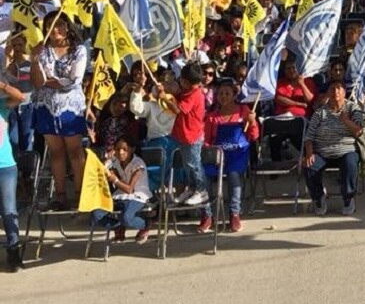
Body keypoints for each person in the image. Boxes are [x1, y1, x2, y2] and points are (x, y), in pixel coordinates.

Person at [30, 11, 88, 210]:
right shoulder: (42, 51)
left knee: (75, 150)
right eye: (50, 26)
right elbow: (39, 83)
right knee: (55, 152)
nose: (55, 29)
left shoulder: (78, 50)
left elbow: (74, 80)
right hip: (46, 107)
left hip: (70, 108)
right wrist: (35, 61)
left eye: (59, 25)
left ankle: (80, 194)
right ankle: (60, 195)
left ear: (67, 27)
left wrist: (50, 82)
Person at [200, 79, 259, 233]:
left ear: (234, 95)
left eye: (227, 93)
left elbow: (253, 136)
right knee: (204, 176)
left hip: (238, 154)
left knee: (234, 175)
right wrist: (208, 149)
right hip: (217, 154)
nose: (223, 96)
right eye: (220, 93)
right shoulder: (212, 117)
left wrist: (252, 122)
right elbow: (206, 140)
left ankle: (234, 214)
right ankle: (207, 215)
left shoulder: (243, 110)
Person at [303, 80, 365, 216]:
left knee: (350, 164)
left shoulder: (353, 108)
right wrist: (309, 153)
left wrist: (346, 121)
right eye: (332, 89)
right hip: (322, 151)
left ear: (344, 92)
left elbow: (359, 131)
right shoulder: (320, 112)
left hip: (346, 150)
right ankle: (319, 198)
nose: (335, 91)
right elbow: (309, 136)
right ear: (328, 93)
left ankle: (348, 199)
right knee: (309, 166)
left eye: (339, 88)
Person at [153, 62, 209, 208]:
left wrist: (165, 98)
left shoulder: (195, 94)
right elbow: (174, 93)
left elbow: (178, 110)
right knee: (186, 165)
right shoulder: (185, 91)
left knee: (194, 165)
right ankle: (191, 188)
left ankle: (201, 190)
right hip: (182, 135)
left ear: (185, 81)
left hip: (192, 136)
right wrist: (162, 89)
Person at [90, 135, 152, 244]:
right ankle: (118, 227)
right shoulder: (115, 160)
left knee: (127, 217)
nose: (121, 152)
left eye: (125, 149)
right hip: (119, 196)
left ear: (132, 149)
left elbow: (129, 190)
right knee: (96, 214)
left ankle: (145, 224)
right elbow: (102, 167)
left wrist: (115, 180)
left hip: (136, 196)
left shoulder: (138, 164)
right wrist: (107, 160)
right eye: (118, 149)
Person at [1, 78, 25, 271]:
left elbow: (20, 97)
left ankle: (13, 250)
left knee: (9, 210)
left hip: (5, 166)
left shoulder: (2, 105)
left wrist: (2, 85)